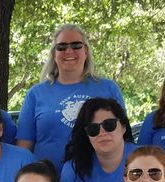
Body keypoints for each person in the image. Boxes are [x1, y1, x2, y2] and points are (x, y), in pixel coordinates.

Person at [16, 24, 124, 170]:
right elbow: (24, 148)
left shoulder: (108, 89)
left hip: (97, 181)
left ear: (85, 51)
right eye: (61, 47)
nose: (69, 51)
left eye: (76, 45)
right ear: (54, 54)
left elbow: (123, 138)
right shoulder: (36, 94)